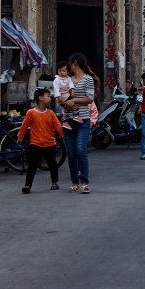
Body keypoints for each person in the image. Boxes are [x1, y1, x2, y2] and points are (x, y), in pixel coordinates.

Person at [60, 52, 99, 193]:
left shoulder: (87, 79)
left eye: (70, 63)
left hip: (83, 120)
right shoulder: (67, 80)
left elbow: (89, 99)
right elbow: (62, 99)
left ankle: (84, 182)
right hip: (68, 121)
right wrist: (66, 103)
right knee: (71, 152)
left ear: (75, 62)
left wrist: (74, 100)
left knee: (81, 150)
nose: (68, 66)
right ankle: (74, 182)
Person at [18, 88, 64, 193]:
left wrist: (65, 136)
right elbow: (24, 126)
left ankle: (55, 182)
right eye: (48, 96)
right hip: (36, 143)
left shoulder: (51, 113)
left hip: (50, 143)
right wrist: (20, 136)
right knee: (32, 165)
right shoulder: (31, 113)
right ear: (40, 98)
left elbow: (58, 127)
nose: (50, 99)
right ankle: (27, 185)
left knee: (52, 164)